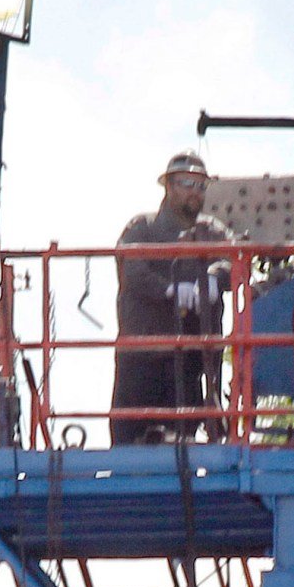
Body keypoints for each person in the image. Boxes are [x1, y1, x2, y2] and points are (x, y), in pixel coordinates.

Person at [112, 151, 235, 445]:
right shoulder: (142, 227)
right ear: (168, 186)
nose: (194, 192)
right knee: (130, 442)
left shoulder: (212, 231)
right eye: (186, 183)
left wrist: (216, 276)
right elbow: (132, 268)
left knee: (184, 440)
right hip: (142, 357)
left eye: (200, 186)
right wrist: (168, 289)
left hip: (191, 360)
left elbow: (235, 258)